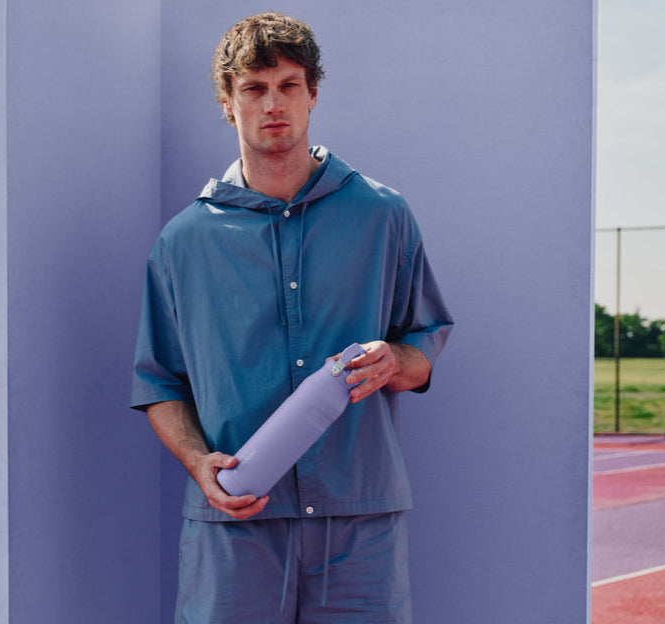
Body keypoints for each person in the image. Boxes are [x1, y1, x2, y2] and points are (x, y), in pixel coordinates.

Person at [131, 12, 453, 623]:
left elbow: (423, 347)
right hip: (237, 520)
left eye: (289, 85)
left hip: (360, 524)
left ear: (312, 95)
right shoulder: (182, 241)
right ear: (229, 103)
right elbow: (159, 382)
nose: (273, 103)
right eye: (254, 88)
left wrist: (395, 361)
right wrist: (198, 462)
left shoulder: (383, 215)